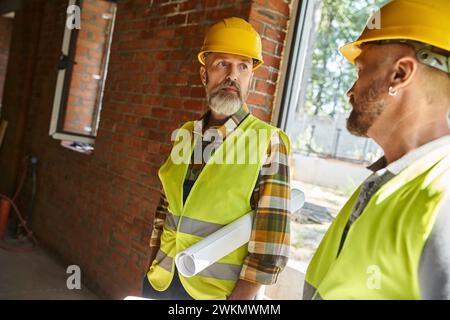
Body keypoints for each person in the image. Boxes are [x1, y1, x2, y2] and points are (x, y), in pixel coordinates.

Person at [303, 0, 450, 300]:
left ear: (399, 74)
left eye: (360, 70)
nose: (350, 91)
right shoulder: (390, 182)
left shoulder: (442, 196)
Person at [143, 17, 291, 300]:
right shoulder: (187, 134)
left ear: (250, 77)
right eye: (222, 64)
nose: (232, 76)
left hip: (214, 295)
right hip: (160, 281)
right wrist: (150, 266)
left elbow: (270, 244)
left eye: (243, 67)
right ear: (204, 75)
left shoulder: (268, 142)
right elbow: (165, 209)